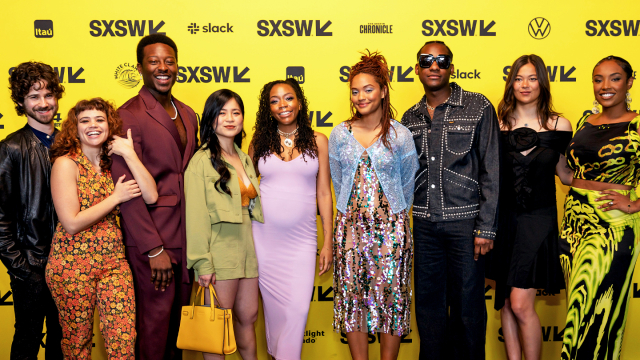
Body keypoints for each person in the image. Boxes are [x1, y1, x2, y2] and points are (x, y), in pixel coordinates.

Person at [401, 40, 500, 360]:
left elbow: (492, 170)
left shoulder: (478, 106)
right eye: (427, 60)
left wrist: (486, 228)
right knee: (428, 308)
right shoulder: (410, 117)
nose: (434, 66)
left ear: (451, 68)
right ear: (417, 68)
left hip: (465, 223)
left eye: (442, 61)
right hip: (425, 225)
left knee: (468, 306)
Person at [46, 98, 158, 358]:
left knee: (123, 340)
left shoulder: (114, 163)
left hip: (113, 264)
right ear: (75, 128)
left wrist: (129, 153)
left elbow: (151, 195)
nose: (93, 125)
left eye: (99, 120)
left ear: (110, 126)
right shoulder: (66, 164)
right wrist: (116, 198)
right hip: (72, 266)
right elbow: (71, 223)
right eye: (84, 121)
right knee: (77, 344)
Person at [110, 34, 198, 360]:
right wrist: (153, 248)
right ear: (140, 68)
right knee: (153, 329)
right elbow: (126, 190)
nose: (163, 67)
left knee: (177, 332)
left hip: (186, 239)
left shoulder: (188, 113)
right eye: (154, 61)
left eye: (169, 61)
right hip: (153, 241)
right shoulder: (128, 115)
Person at [329, 51, 418, 360]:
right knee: (353, 298)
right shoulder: (340, 133)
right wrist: (353, 218)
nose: (361, 96)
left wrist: (389, 218)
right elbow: (338, 183)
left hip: (392, 232)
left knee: (392, 298)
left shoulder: (401, 135)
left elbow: (407, 186)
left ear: (382, 90)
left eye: (368, 89)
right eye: (355, 91)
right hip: (350, 229)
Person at [487, 54, 572, 360]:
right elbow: (487, 175)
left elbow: (565, 174)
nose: (525, 85)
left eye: (532, 78)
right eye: (519, 78)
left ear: (542, 83)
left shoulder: (559, 124)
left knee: (521, 303)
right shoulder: (497, 123)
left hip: (539, 220)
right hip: (504, 220)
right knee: (507, 303)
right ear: (511, 83)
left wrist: (608, 185)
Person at [249, 78, 333, 360]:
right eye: (275, 100)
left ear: (299, 102)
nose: (282, 105)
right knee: (274, 317)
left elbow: (324, 193)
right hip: (263, 240)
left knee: (297, 311)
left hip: (301, 242)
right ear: (267, 107)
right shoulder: (258, 141)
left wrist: (328, 242)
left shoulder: (318, 140)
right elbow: (246, 191)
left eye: (288, 98)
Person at [560, 55, 638, 360]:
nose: (605, 86)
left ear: (630, 81)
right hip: (574, 221)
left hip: (611, 226)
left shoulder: (637, 124)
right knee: (577, 310)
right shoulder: (584, 121)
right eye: (598, 79)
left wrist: (633, 205)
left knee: (598, 315)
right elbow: (569, 174)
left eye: (615, 78)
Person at [185, 89, 263, 360]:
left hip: (247, 250)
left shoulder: (243, 157)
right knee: (216, 327)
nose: (230, 119)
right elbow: (195, 218)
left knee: (247, 317)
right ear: (211, 119)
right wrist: (202, 263)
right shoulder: (200, 161)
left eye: (236, 112)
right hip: (219, 252)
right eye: (222, 113)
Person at [0, 61, 63, 359]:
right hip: (32, 265)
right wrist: (23, 269)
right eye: (34, 97)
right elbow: (0, 217)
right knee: (26, 340)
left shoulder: (71, 144)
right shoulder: (11, 147)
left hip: (69, 264)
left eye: (48, 95)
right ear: (21, 102)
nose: (43, 103)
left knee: (63, 342)